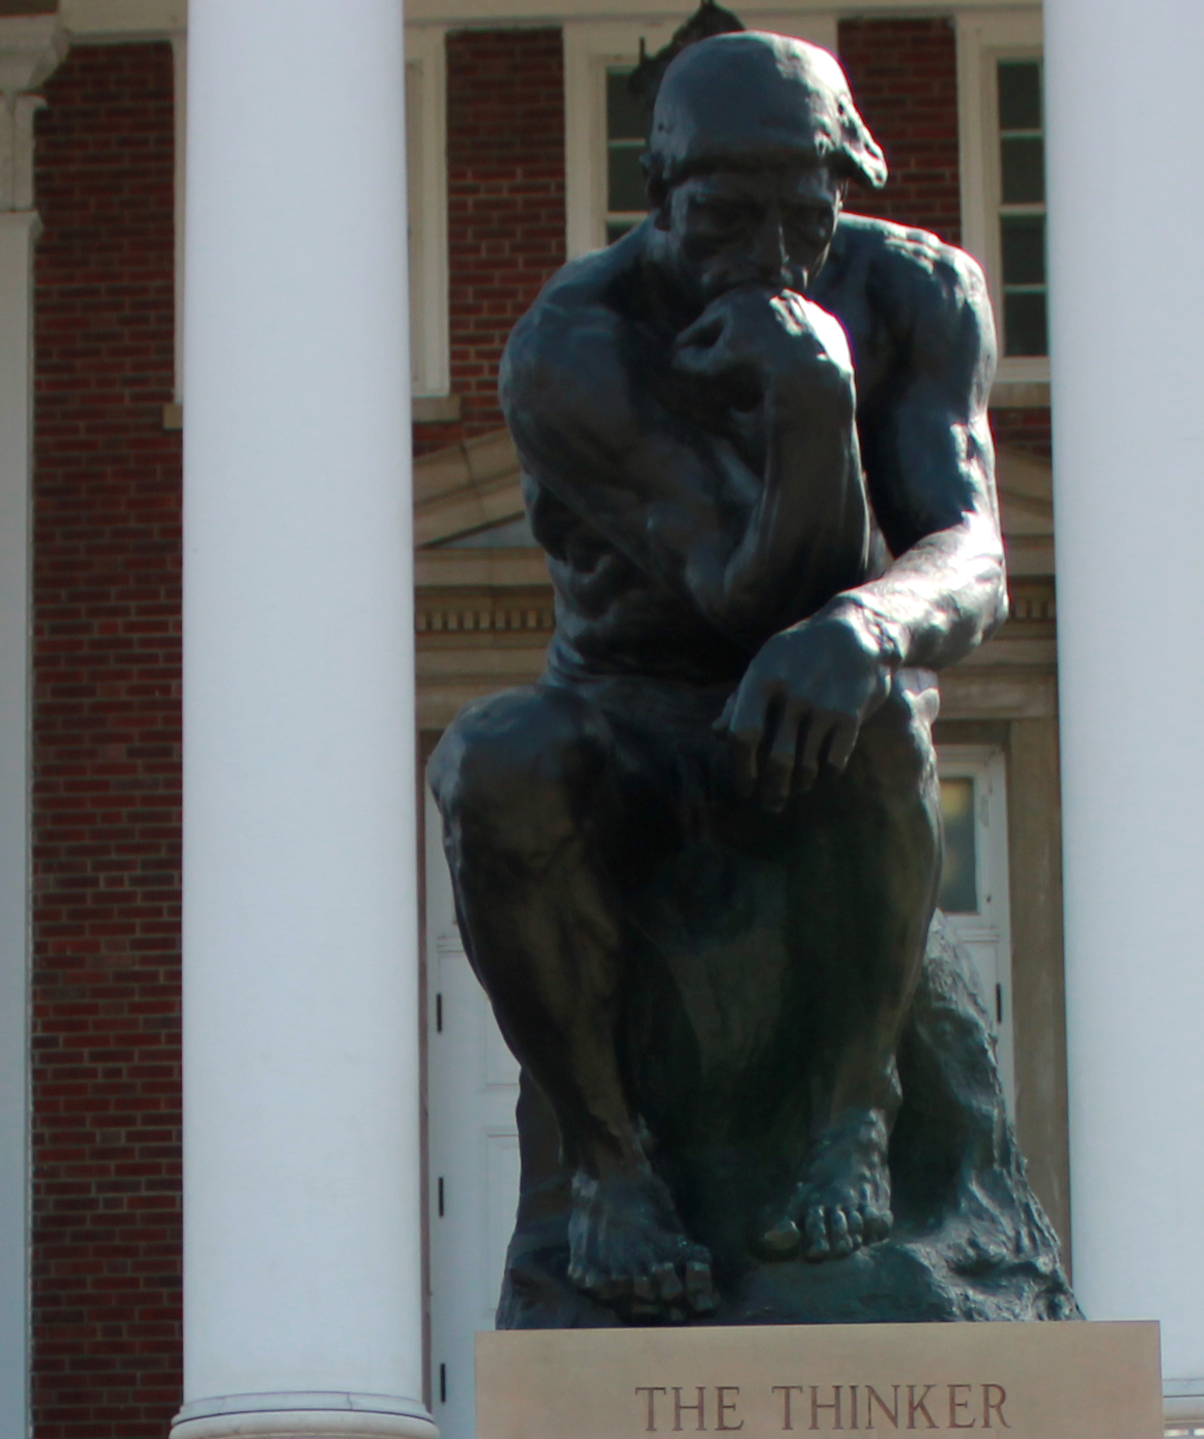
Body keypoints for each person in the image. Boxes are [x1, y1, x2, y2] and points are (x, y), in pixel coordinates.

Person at [435, 32, 1069, 1326]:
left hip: (825, 728)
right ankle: (612, 1171)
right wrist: (809, 399)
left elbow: (972, 553)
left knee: (871, 705)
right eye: (726, 216)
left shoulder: (918, 288)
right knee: (493, 762)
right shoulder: (576, 341)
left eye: (803, 213)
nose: (772, 252)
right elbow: (740, 591)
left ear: (844, 187)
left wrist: (868, 625)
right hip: (637, 732)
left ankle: (854, 1122)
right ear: (657, 193)